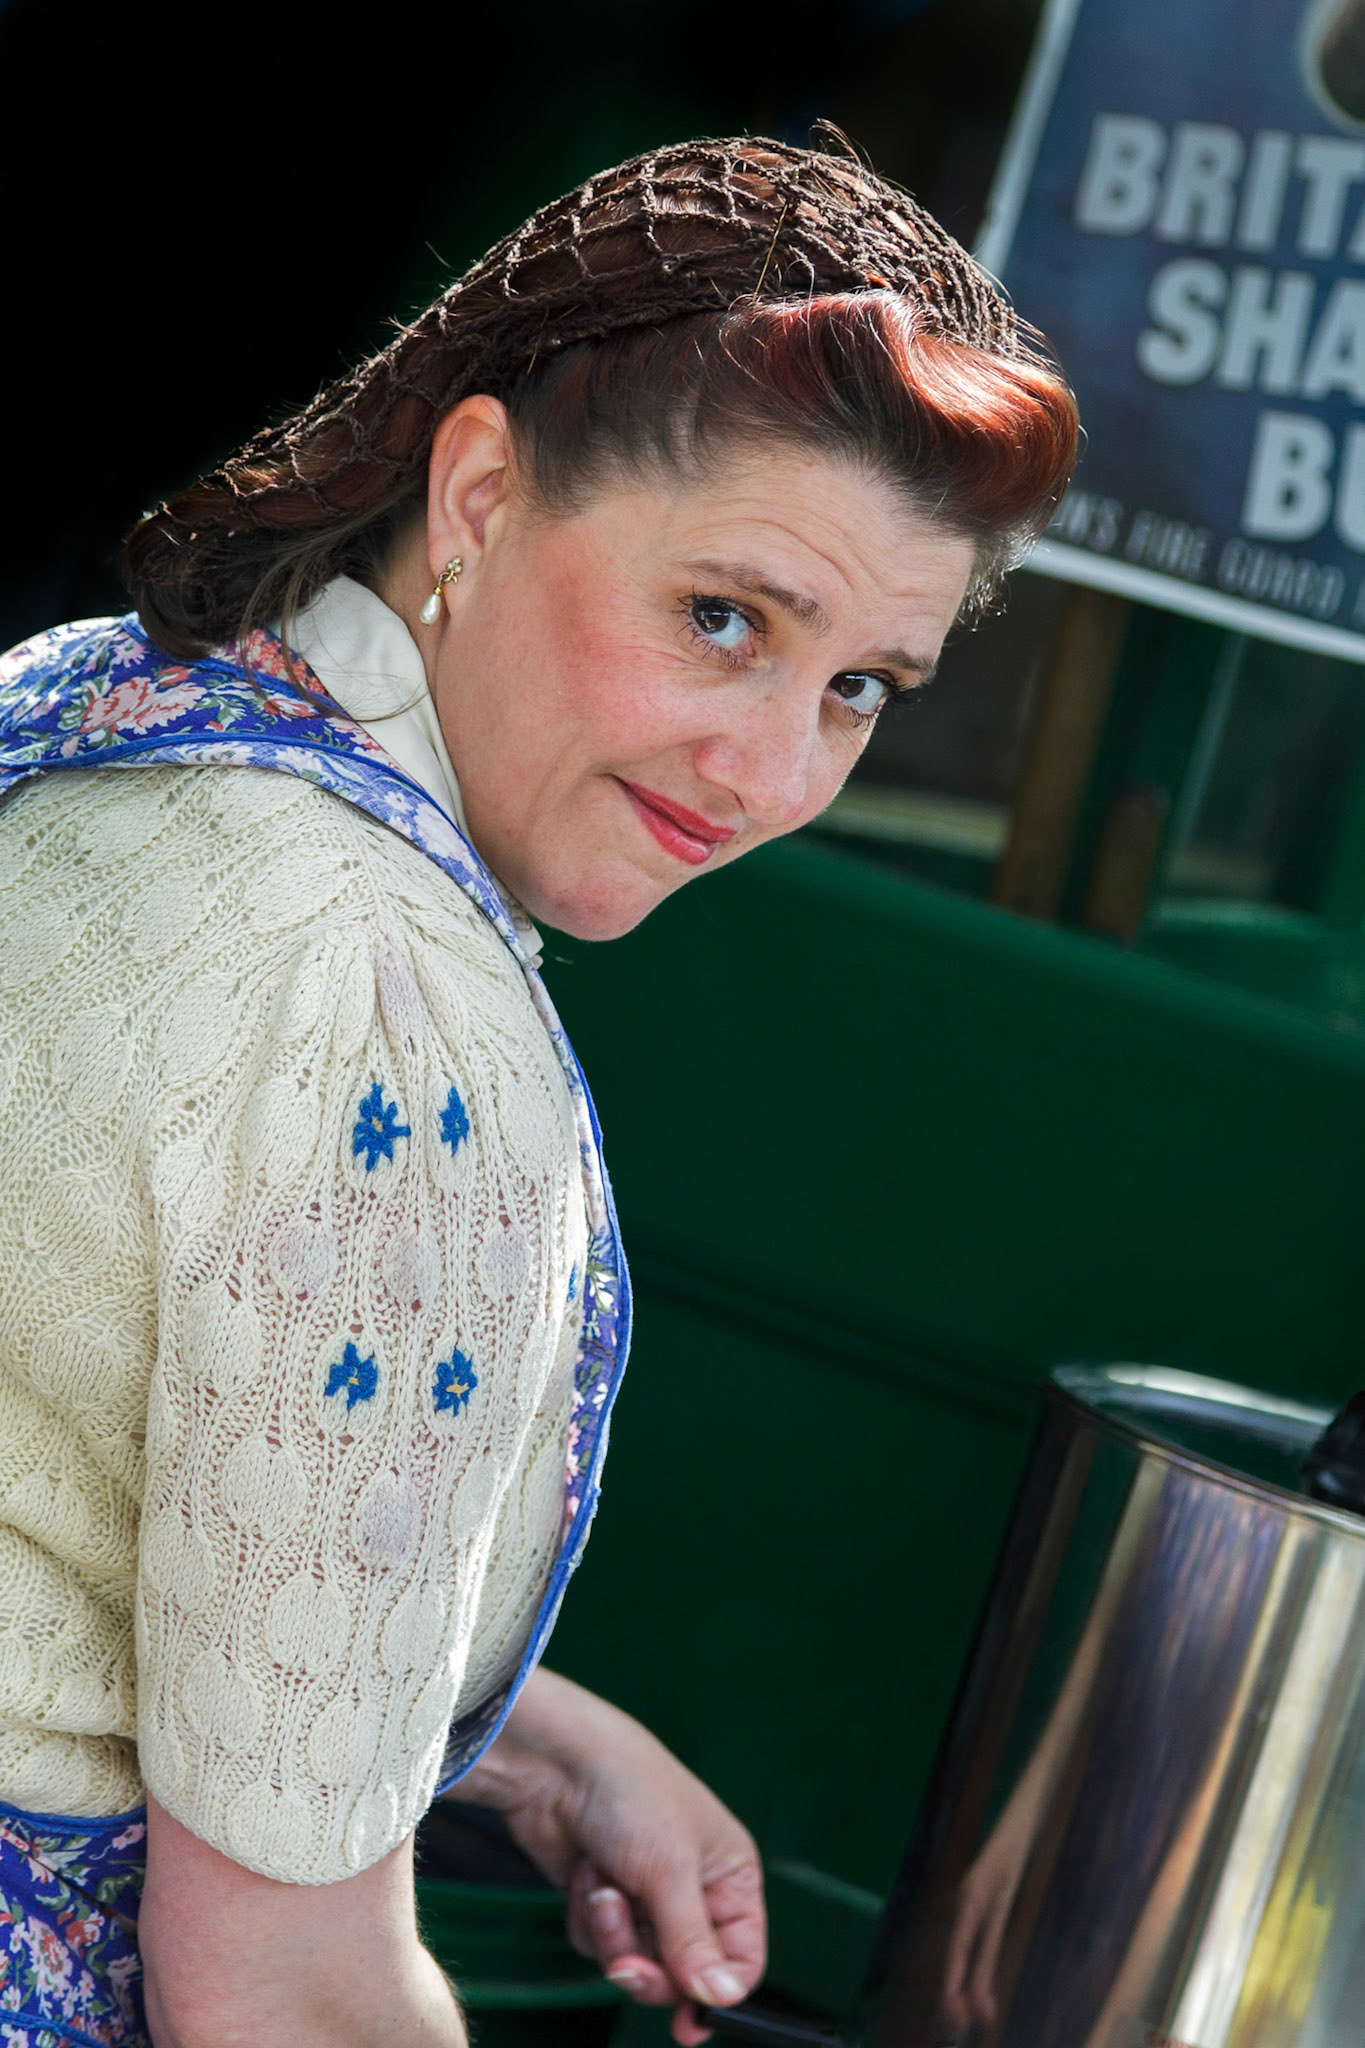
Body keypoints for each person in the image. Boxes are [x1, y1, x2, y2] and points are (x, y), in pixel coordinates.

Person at [0, 134, 1078, 2048]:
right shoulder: (397, 1034)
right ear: (481, 492)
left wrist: (532, 1745)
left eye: (864, 690)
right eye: (725, 618)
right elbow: (288, 1992)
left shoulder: (88, 706)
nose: (765, 774)